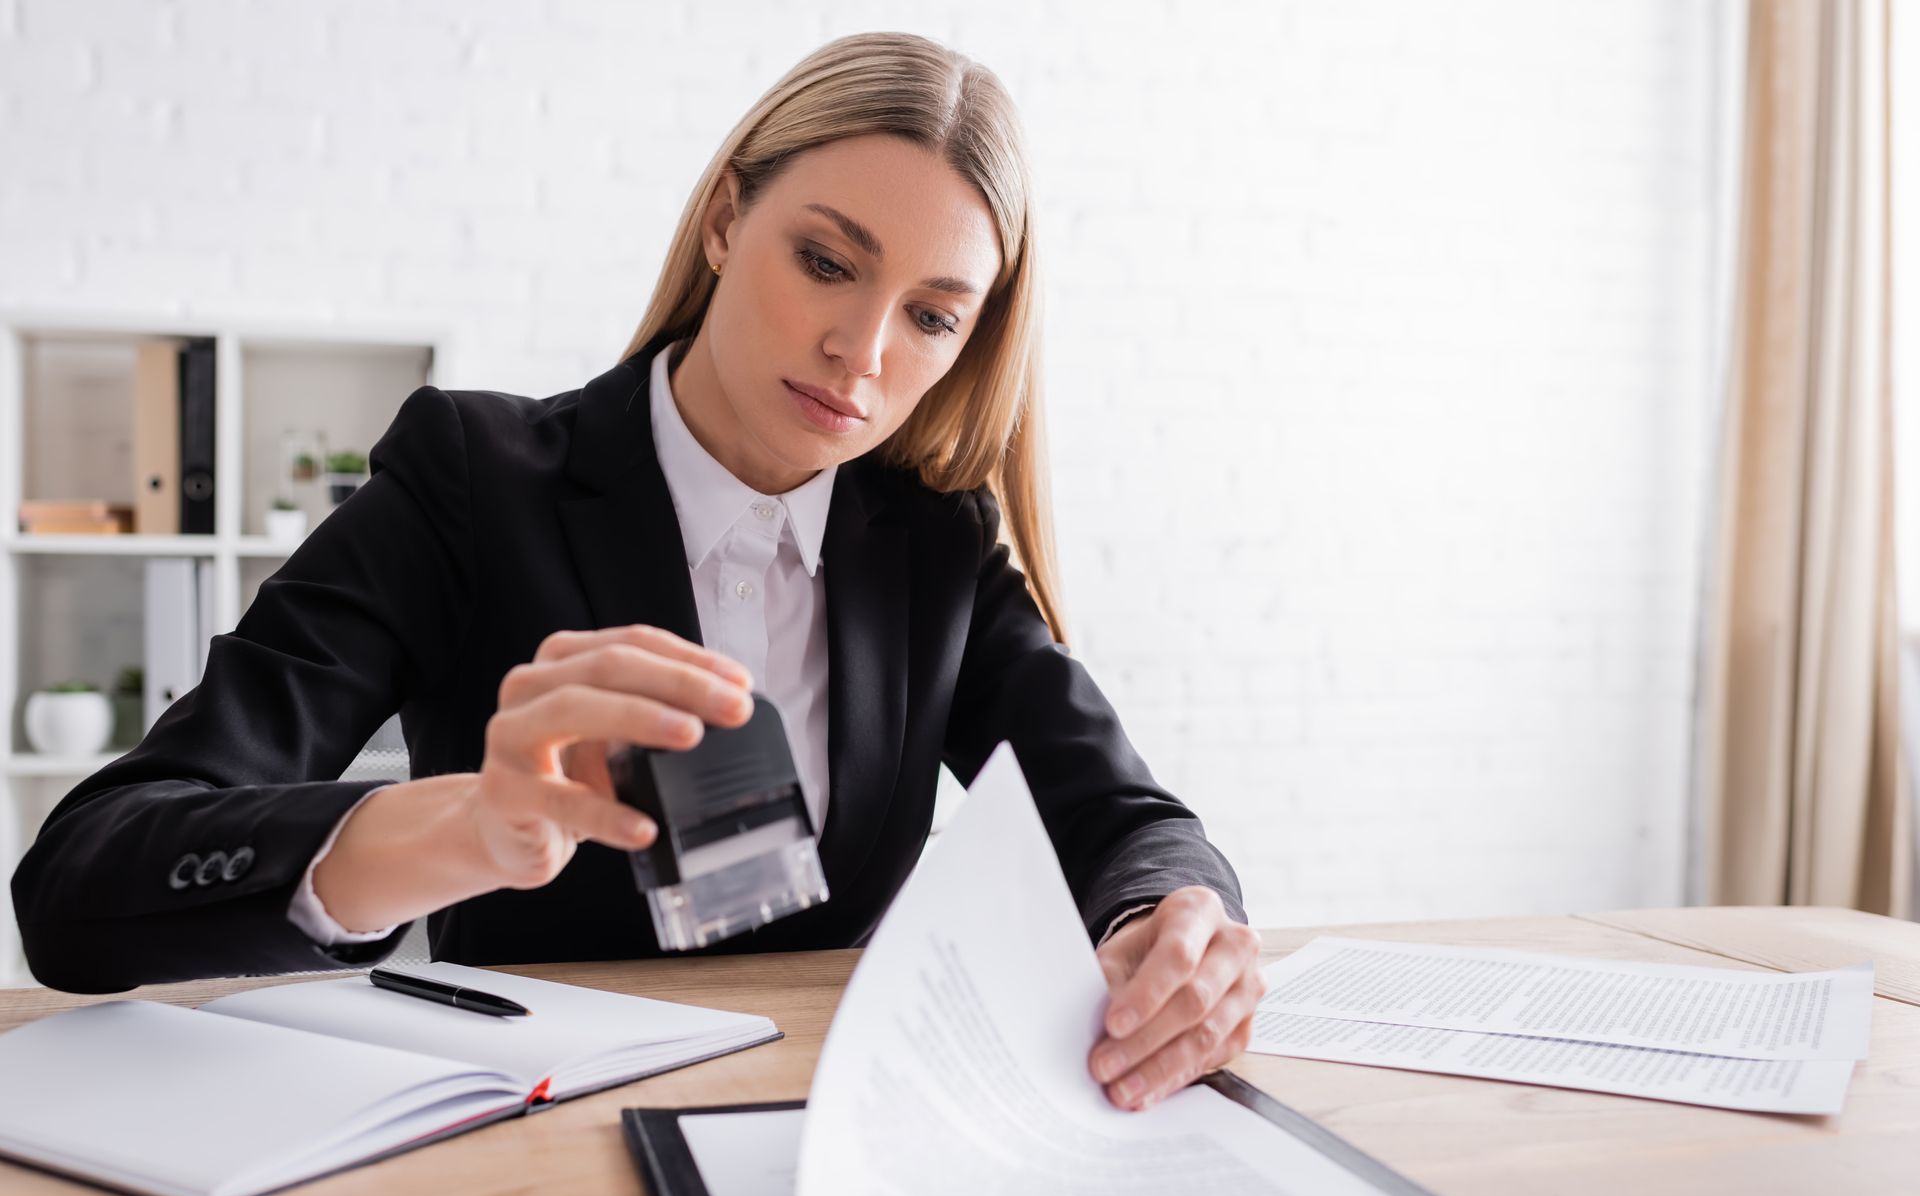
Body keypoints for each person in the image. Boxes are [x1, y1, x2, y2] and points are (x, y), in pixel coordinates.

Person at [11, 32, 1263, 1113]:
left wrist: (1171, 922)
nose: (860, 350)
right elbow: (79, 878)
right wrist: (460, 826)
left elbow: (1125, 823)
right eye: (827, 261)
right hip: (520, 1136)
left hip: (830, 1127)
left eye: (932, 314)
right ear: (726, 219)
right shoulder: (472, 477)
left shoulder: (935, 540)